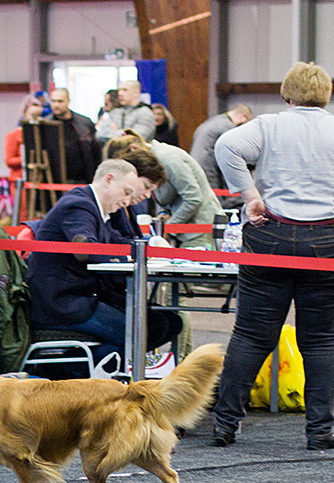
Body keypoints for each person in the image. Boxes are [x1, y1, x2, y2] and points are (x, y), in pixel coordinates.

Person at [211, 62, 334, 450]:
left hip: (270, 235)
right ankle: (321, 432)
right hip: (326, 239)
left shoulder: (269, 125)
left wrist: (250, 196)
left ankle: (225, 424)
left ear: (286, 94)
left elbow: (225, 146)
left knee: (250, 335)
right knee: (322, 341)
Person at [24, 159, 181, 366]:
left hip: (82, 295)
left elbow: (118, 242)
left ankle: (96, 368)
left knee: (168, 322)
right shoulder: (78, 205)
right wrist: (133, 254)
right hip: (60, 303)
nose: (128, 201)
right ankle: (70, 369)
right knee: (143, 332)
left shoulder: (97, 208)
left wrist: (149, 246)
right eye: (126, 192)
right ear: (109, 180)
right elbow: (86, 251)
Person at [104, 129, 221, 249]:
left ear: (134, 149)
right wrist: (163, 214)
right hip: (183, 231)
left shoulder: (170, 159)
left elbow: (193, 198)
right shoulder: (155, 161)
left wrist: (169, 227)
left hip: (199, 231)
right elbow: (165, 197)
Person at [189, 104, 253, 210]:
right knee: (216, 206)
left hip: (197, 167)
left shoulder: (212, 122)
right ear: (242, 117)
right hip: (209, 170)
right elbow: (234, 153)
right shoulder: (227, 127)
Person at [44, 88, 98, 184]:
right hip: (55, 178)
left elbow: (94, 150)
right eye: (53, 101)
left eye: (60, 101)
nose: (56, 105)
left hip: (82, 176)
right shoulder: (46, 124)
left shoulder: (85, 123)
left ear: (68, 101)